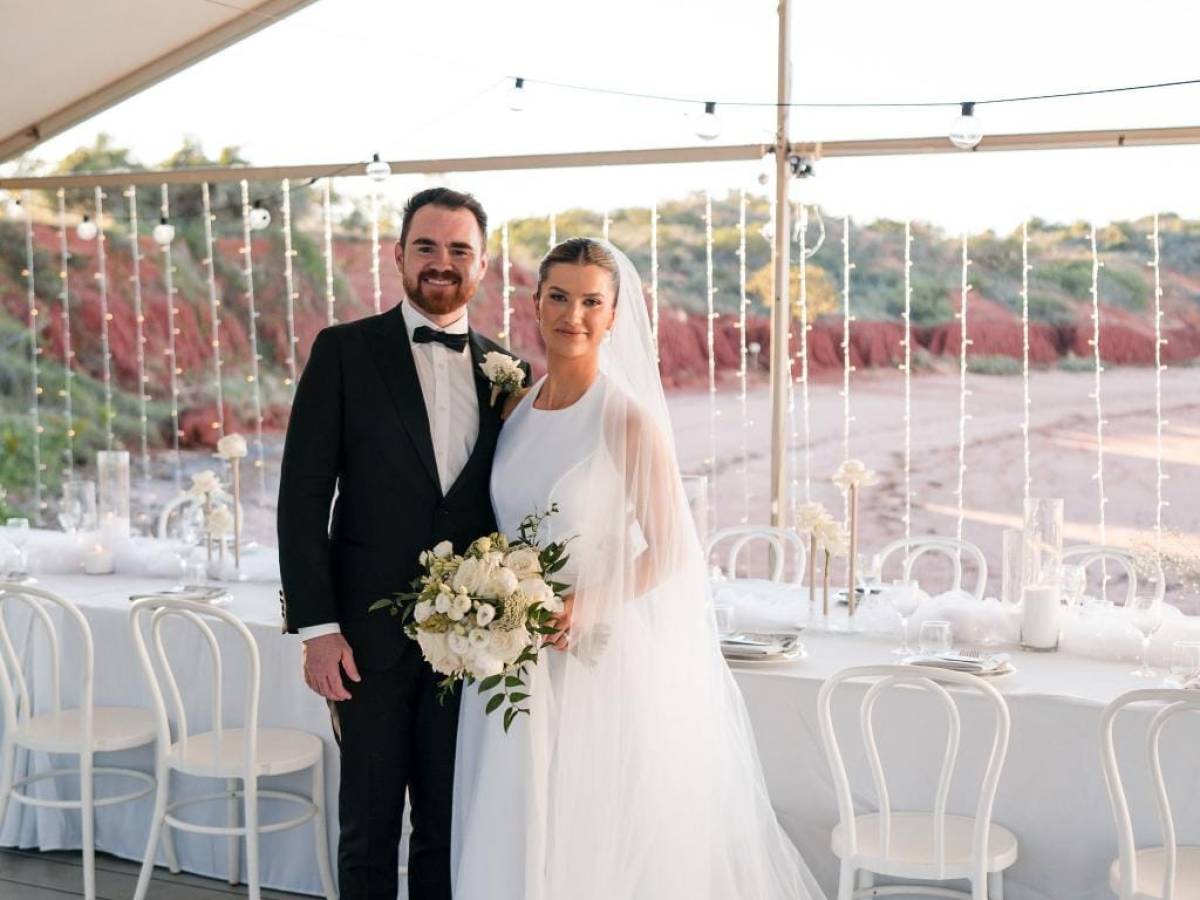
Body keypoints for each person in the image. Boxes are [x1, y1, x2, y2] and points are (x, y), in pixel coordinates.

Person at [451, 238, 825, 899]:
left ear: (615, 314)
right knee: (515, 826)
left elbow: (671, 548)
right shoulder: (514, 410)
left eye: (593, 301)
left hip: (587, 658)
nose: (575, 315)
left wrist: (581, 607)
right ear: (535, 303)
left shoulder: (625, 418)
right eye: (560, 297)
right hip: (507, 663)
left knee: (583, 833)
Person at [277, 187, 529, 900]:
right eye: (426, 246)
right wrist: (318, 629)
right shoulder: (344, 352)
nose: (441, 263)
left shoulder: (508, 374)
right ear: (398, 256)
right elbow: (300, 500)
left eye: (458, 250)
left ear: (483, 265)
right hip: (364, 642)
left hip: (472, 646)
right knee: (368, 825)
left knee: (447, 827)